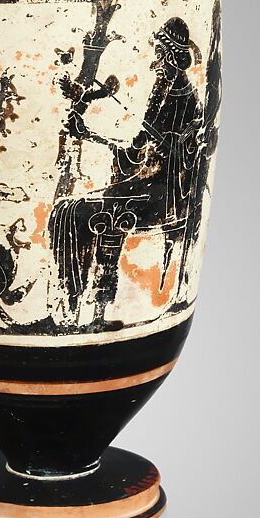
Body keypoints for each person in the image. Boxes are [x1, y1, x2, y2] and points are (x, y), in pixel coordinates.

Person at [49, 17, 205, 328]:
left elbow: (161, 152)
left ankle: (92, 313)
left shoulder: (178, 96)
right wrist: (90, 133)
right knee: (67, 210)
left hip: (162, 195)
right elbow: (135, 150)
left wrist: (90, 133)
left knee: (80, 212)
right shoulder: (168, 92)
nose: (155, 59)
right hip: (151, 184)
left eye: (159, 52)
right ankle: (71, 307)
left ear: (170, 55)